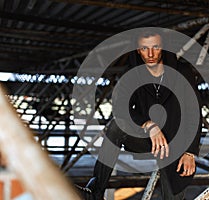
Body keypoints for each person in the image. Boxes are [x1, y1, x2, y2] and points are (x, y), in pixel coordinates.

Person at [77, 29, 202, 200]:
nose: (150, 54)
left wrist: (190, 152)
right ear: (137, 49)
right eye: (144, 48)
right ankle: (96, 190)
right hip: (146, 139)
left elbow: (193, 113)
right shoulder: (132, 74)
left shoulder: (183, 72)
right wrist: (148, 124)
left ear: (162, 47)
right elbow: (121, 107)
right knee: (116, 125)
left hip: (176, 145)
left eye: (155, 47)